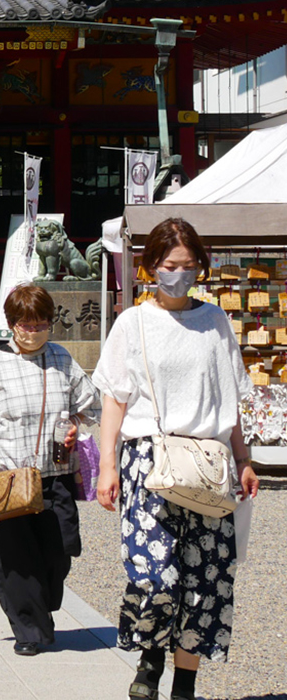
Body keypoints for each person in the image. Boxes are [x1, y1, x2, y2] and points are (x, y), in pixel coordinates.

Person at [93, 217, 259, 700]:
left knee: (206, 577)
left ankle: (184, 683)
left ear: (200, 268)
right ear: (150, 268)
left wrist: (244, 459)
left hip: (209, 460)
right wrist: (107, 466)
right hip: (148, 459)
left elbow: (228, 400)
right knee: (152, 573)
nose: (178, 274)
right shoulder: (133, 322)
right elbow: (114, 401)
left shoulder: (215, 321)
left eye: (188, 266)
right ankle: (149, 660)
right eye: (169, 265)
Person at [0, 283, 100, 656]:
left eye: (41, 324)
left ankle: (40, 608)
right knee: (16, 556)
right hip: (7, 477)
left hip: (55, 473)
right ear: (12, 325)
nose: (34, 333)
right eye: (26, 325)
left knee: (59, 550)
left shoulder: (63, 359)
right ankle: (28, 630)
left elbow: (91, 405)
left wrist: (78, 425)